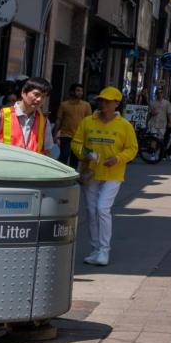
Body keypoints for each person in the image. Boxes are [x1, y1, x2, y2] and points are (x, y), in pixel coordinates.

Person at [73, 88, 137, 266]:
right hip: (91, 172)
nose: (103, 104)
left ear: (117, 103)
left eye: (108, 101)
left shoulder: (124, 126)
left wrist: (118, 158)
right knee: (91, 211)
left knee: (102, 209)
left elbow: (132, 149)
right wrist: (86, 153)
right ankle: (95, 249)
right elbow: (76, 143)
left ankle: (104, 250)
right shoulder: (88, 121)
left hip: (113, 173)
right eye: (101, 100)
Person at [0, 78, 54, 155]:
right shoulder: (0, 116)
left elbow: (47, 152)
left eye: (43, 96)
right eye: (36, 94)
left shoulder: (44, 122)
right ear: (23, 92)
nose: (39, 99)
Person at [54, 85, 90, 166]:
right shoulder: (64, 105)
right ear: (71, 92)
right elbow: (59, 120)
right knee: (64, 155)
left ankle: (72, 173)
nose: (80, 93)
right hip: (65, 135)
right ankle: (61, 172)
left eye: (81, 91)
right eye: (78, 90)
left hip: (79, 137)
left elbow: (89, 121)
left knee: (75, 158)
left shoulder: (86, 105)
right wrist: (55, 134)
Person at [148, 93, 171, 160]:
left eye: (161, 93)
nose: (159, 94)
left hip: (162, 124)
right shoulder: (152, 102)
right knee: (154, 138)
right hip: (153, 123)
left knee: (160, 139)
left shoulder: (167, 103)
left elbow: (169, 113)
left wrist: (170, 122)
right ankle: (153, 153)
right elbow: (150, 113)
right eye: (158, 93)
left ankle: (157, 153)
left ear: (163, 94)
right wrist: (152, 113)